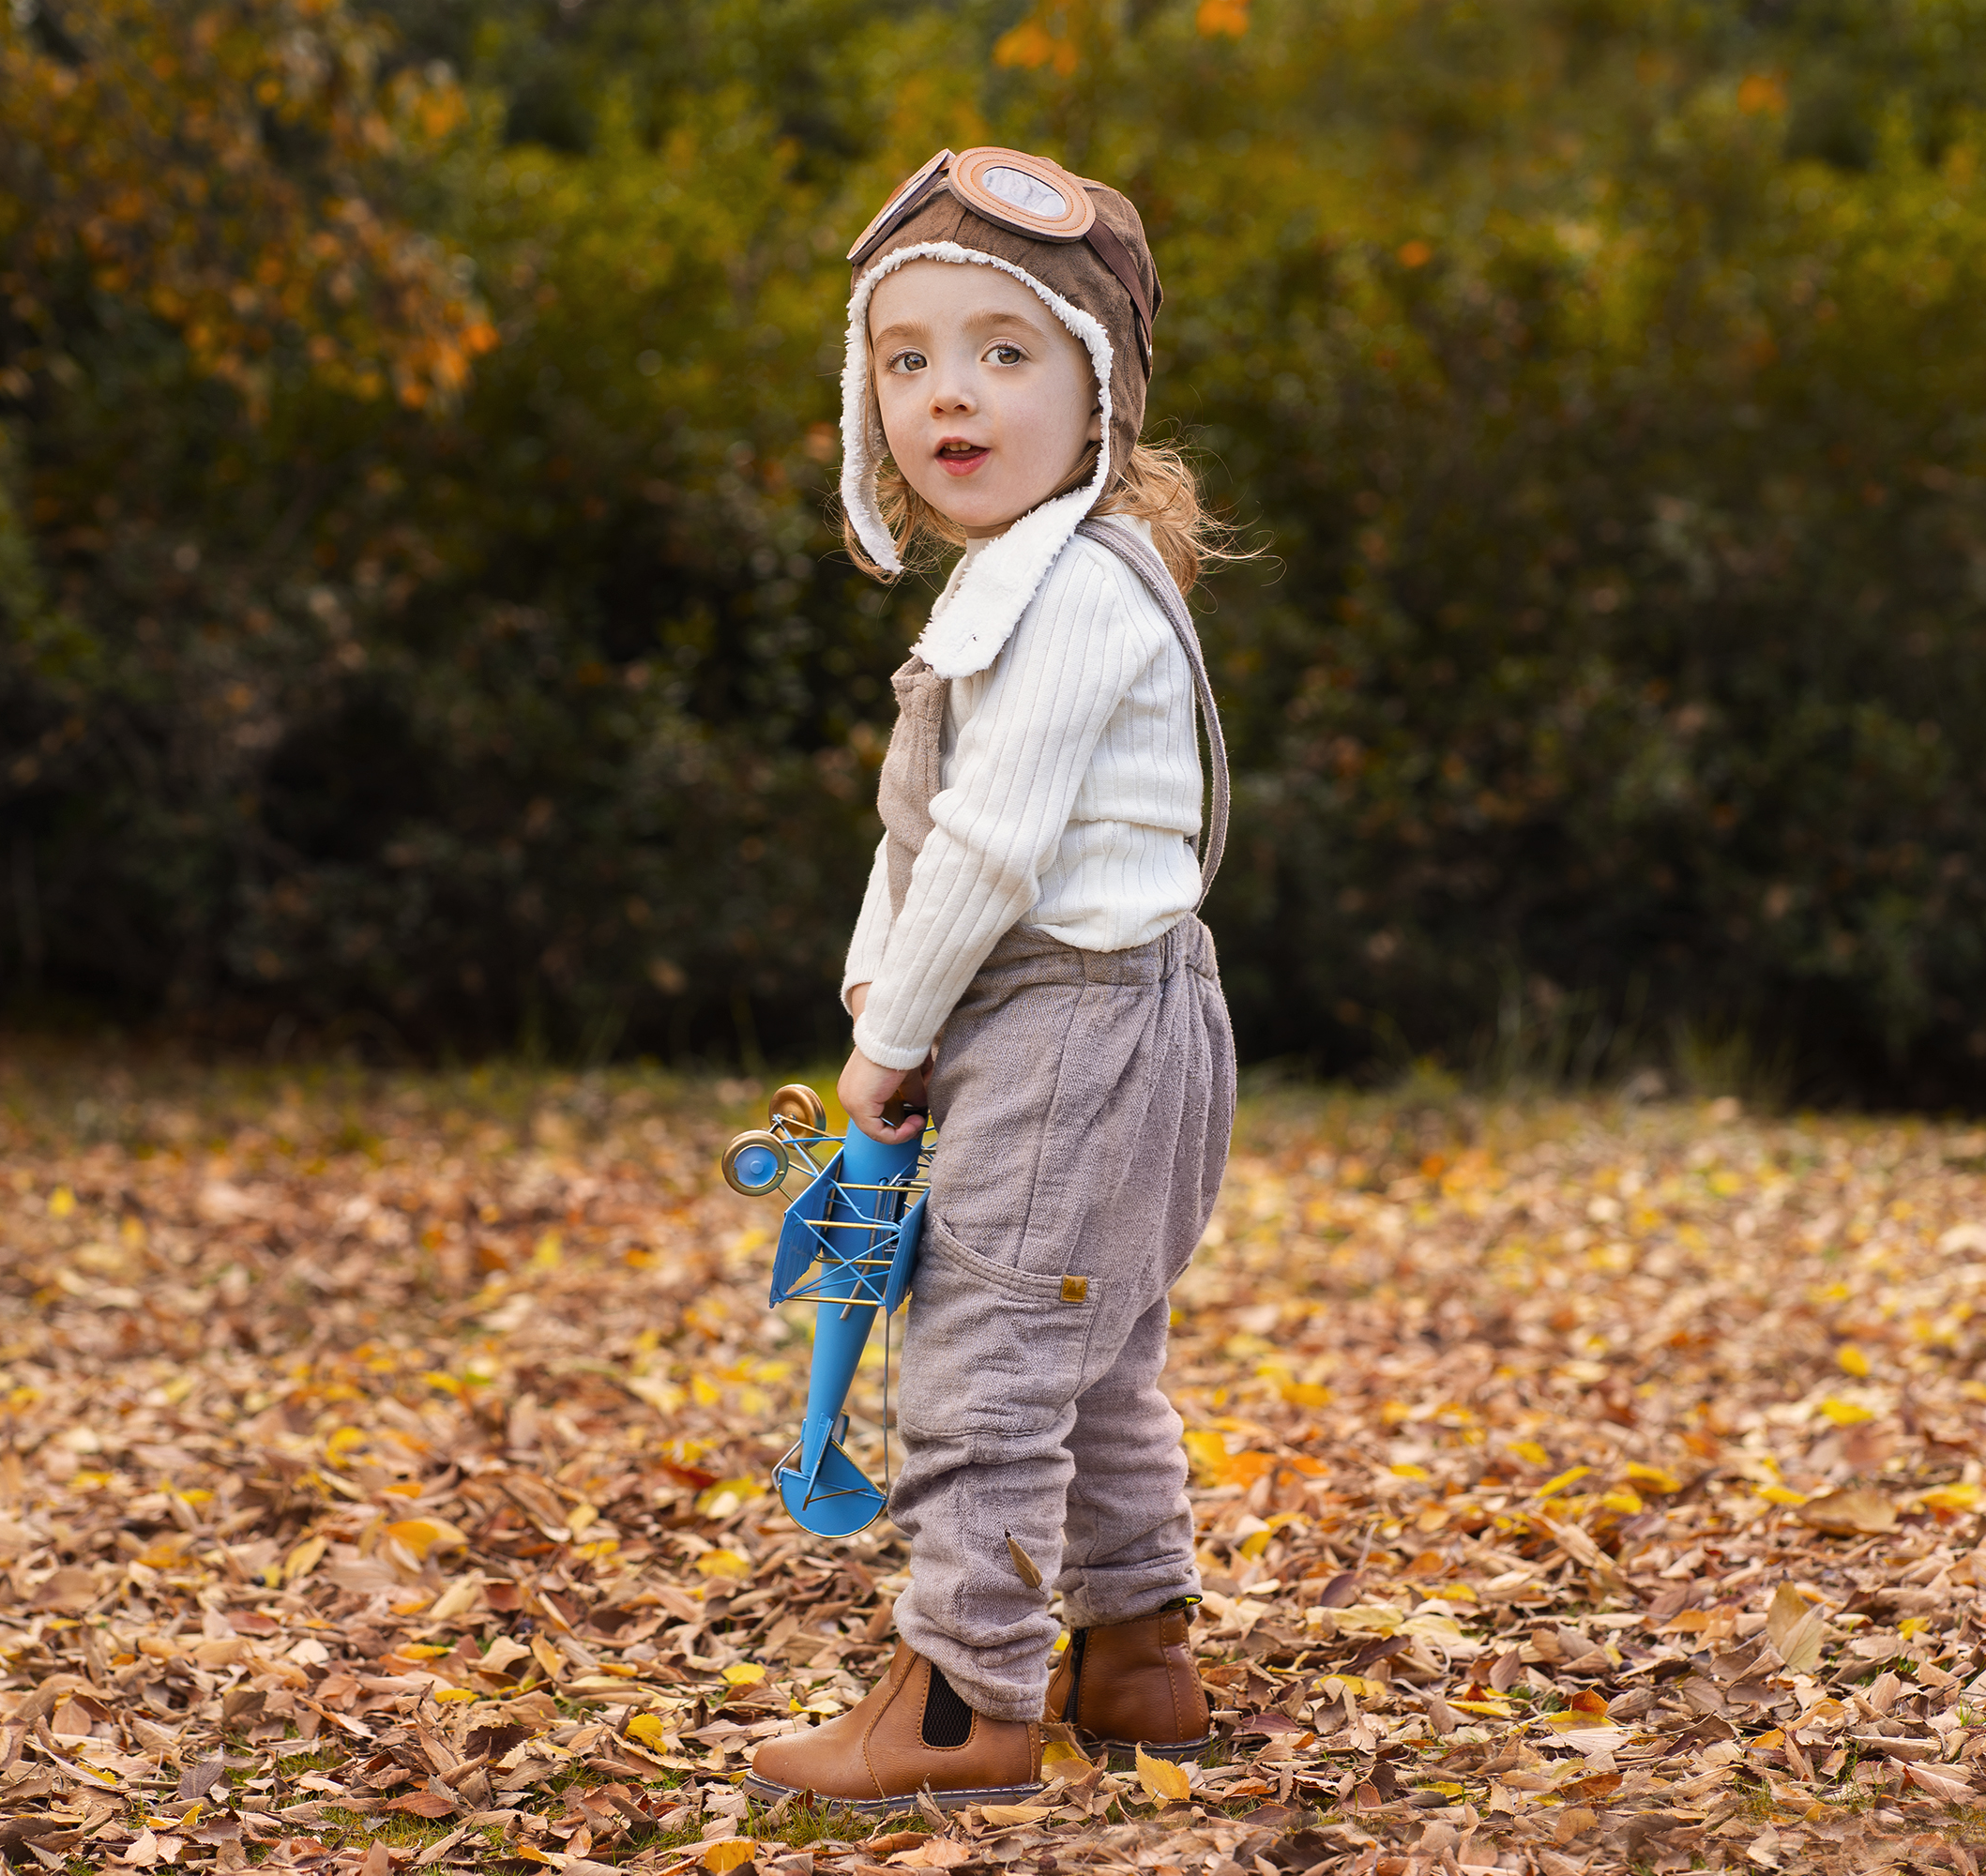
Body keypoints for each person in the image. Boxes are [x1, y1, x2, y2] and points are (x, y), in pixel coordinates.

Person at [744, 146, 1239, 1814]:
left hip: (1079, 1020)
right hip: (1117, 1011)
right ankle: (1136, 1652)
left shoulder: (1076, 593)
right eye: (907, 357)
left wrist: (887, 1045)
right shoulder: (1037, 571)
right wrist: (872, 980)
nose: (946, 394)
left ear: (1095, 384)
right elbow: (930, 844)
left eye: (1003, 352)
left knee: (986, 1358)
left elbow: (989, 846)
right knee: (1092, 1348)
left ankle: (961, 1700)